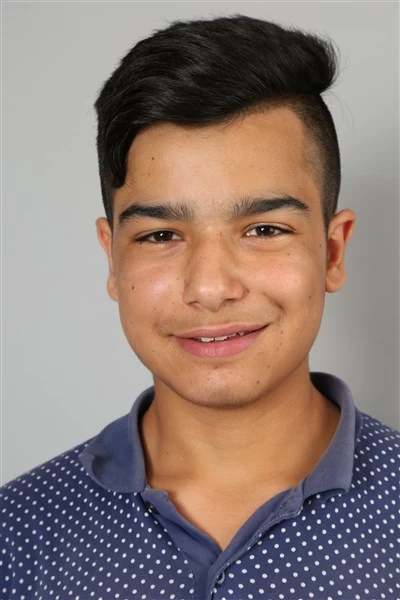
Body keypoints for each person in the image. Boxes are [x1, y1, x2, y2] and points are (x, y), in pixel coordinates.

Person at [1, 14, 398, 600]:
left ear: (332, 251)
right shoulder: (17, 533)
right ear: (113, 259)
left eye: (264, 229)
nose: (210, 288)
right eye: (161, 235)